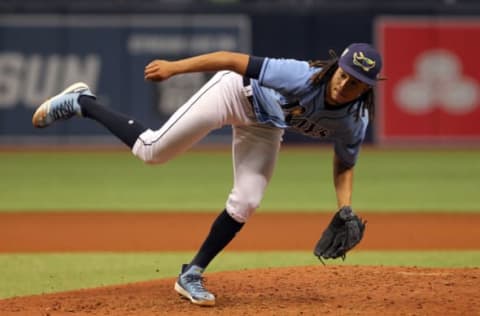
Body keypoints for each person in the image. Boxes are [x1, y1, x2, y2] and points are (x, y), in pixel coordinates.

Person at [32, 43, 383, 307]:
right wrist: (174, 67)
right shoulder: (300, 75)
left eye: (355, 84)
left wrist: (345, 208)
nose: (344, 85)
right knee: (152, 152)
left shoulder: (353, 121)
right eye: (343, 75)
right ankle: (82, 102)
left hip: (266, 126)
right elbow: (231, 59)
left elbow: (345, 163)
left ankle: (191, 273)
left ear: (366, 89)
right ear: (336, 68)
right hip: (234, 93)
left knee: (247, 200)